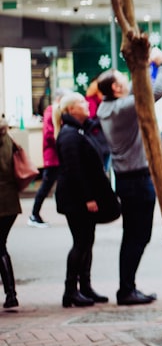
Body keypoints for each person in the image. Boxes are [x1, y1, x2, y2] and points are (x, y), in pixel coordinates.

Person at [96, 47, 162, 306]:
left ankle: (127, 287)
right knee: (139, 236)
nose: (127, 79)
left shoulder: (107, 109)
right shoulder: (121, 109)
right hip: (137, 181)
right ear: (115, 88)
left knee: (132, 235)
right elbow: (155, 91)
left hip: (127, 180)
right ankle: (127, 289)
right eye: (121, 77)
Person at [55, 93, 112, 308]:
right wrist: (88, 198)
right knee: (81, 242)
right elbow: (74, 170)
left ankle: (85, 287)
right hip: (76, 200)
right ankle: (70, 291)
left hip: (78, 199)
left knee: (87, 241)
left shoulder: (79, 130)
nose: (85, 104)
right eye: (80, 102)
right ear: (70, 110)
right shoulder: (69, 135)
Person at [28, 88, 69, 228]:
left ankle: (36, 214)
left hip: (55, 156)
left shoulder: (53, 111)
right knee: (45, 187)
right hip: (52, 157)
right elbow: (50, 135)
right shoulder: (51, 112)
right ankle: (34, 214)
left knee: (51, 186)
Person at [0, 116, 20, 309]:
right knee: (1, 245)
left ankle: (11, 293)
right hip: (10, 201)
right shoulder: (8, 137)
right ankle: (11, 293)